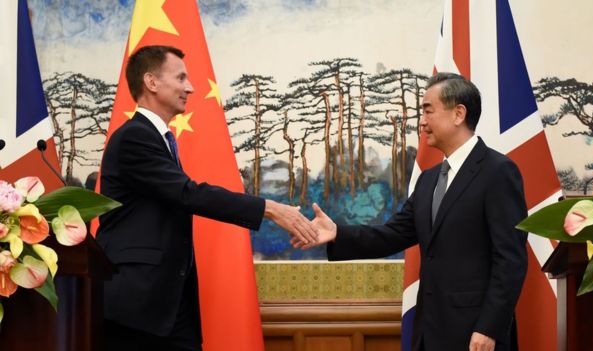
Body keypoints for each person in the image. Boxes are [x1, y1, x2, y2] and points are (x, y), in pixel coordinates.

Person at [96, 45, 318, 351]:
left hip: (170, 303)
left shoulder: (157, 139)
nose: (191, 87)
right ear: (151, 82)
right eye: (181, 77)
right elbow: (188, 193)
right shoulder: (135, 136)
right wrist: (270, 209)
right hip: (137, 307)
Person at [296, 73, 528, 351]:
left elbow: (510, 259)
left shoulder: (498, 172)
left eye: (428, 111)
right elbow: (393, 234)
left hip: (476, 335)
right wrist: (337, 234)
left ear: (458, 114)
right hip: (429, 332)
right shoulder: (429, 179)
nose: (421, 121)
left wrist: (488, 328)